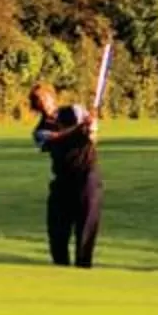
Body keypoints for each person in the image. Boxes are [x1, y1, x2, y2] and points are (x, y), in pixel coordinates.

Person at [29, 80, 101, 268]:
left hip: (86, 175)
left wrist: (91, 127)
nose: (43, 102)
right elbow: (57, 138)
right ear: (35, 106)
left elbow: (92, 137)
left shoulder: (75, 111)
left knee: (86, 226)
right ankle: (60, 267)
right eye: (38, 100)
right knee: (57, 229)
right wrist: (80, 127)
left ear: (52, 96)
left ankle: (83, 266)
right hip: (63, 180)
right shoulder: (39, 131)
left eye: (45, 97)